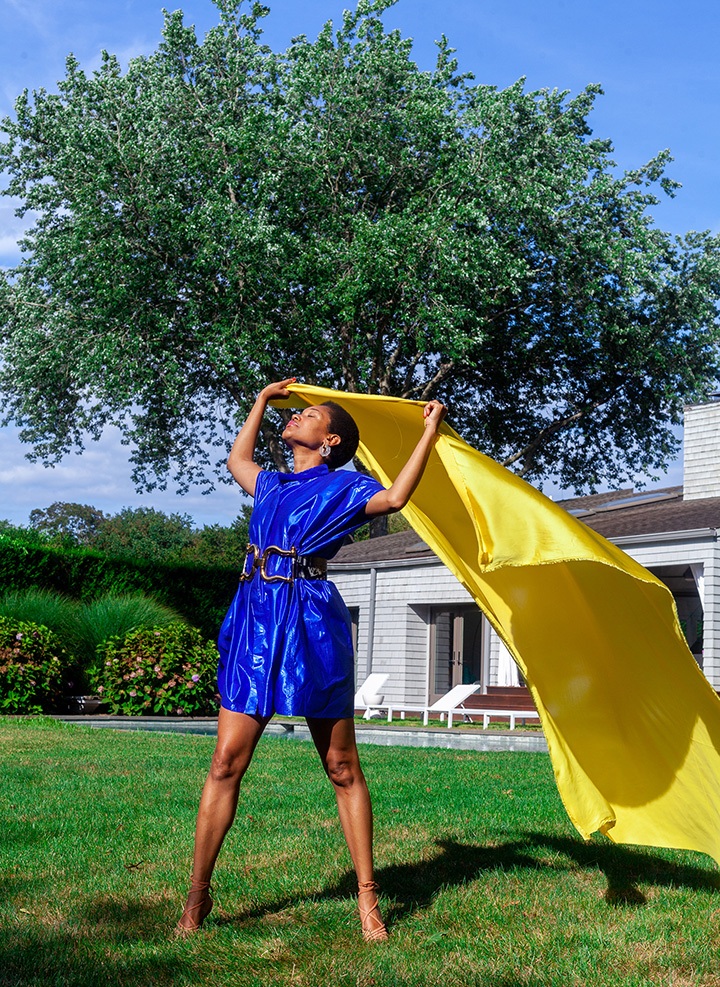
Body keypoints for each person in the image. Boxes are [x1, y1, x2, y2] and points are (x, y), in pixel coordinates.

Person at [176, 378, 446, 942]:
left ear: (329, 442)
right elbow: (236, 458)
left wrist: (430, 432)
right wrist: (258, 402)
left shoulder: (345, 487)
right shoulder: (270, 485)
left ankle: (368, 901)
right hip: (255, 615)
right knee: (226, 761)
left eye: (311, 416)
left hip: (312, 621)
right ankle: (197, 897)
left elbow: (395, 498)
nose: (297, 417)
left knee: (342, 766)